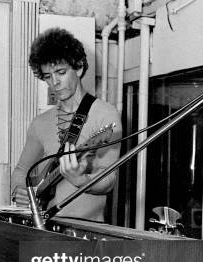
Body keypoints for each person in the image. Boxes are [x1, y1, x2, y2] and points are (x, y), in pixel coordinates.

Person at [11, 28, 122, 222]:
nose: (54, 83)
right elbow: (21, 170)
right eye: (47, 76)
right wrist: (19, 192)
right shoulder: (40, 122)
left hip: (85, 231)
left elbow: (109, 180)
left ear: (78, 67)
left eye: (61, 72)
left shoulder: (105, 115)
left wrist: (80, 179)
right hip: (42, 225)